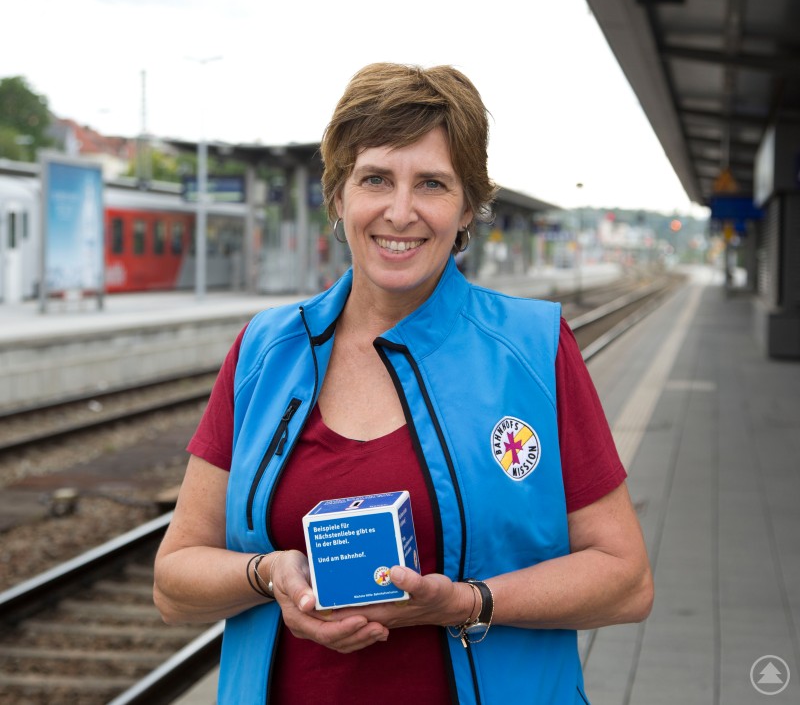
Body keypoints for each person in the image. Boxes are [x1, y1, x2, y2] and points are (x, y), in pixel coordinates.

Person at [153, 62, 653, 705]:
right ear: (339, 197)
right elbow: (173, 583)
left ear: (467, 207)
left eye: (432, 184)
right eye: (376, 179)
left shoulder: (533, 348)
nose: (400, 211)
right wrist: (269, 572)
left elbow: (626, 581)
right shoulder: (265, 351)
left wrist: (468, 603)